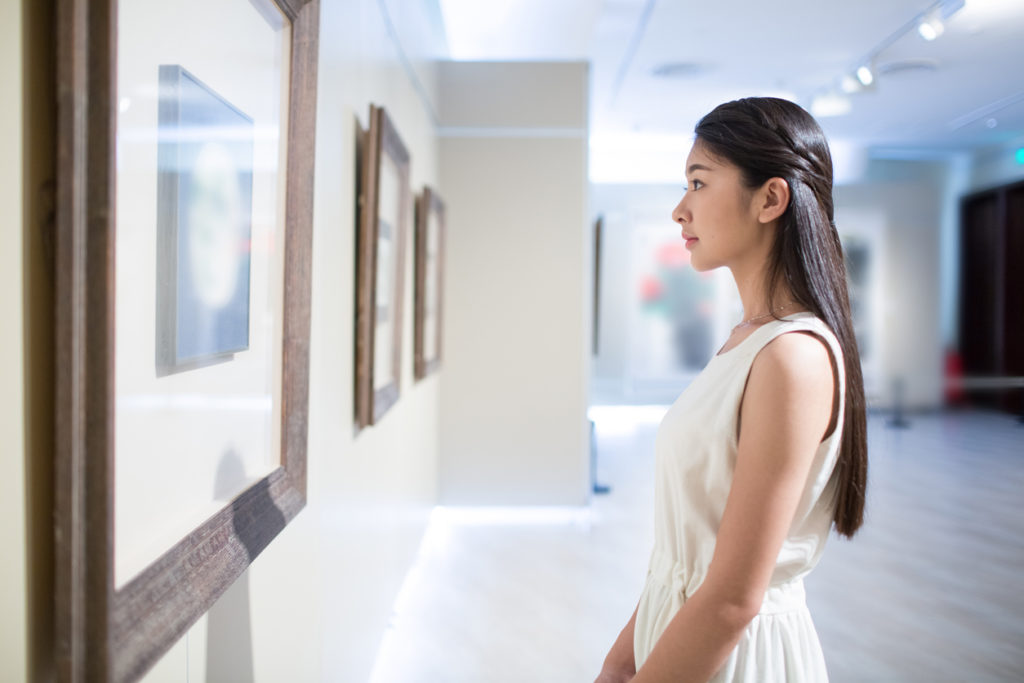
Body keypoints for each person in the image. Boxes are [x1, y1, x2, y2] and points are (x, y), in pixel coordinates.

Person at [595, 97, 868, 683]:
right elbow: (690, 562)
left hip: (733, 658)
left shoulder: (791, 357)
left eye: (698, 183)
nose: (679, 210)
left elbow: (731, 600)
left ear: (770, 198)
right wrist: (619, 664)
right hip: (682, 639)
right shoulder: (751, 341)